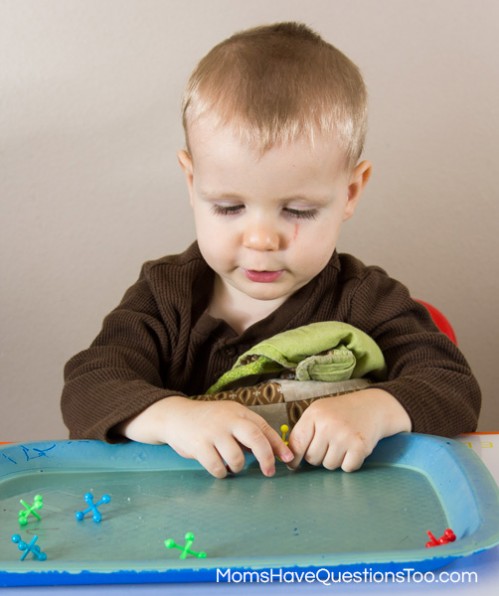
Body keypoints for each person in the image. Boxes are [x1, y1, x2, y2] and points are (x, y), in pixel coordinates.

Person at [61, 22, 481, 479]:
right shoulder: (165, 296)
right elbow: (88, 387)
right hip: (193, 532)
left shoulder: (366, 300)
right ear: (191, 182)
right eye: (229, 207)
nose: (261, 240)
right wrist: (171, 416)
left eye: (298, 211)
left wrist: (376, 409)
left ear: (351, 191)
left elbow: (453, 387)